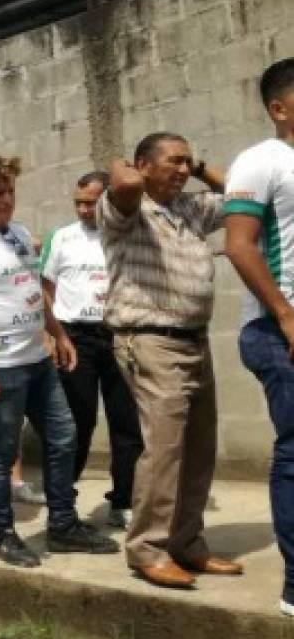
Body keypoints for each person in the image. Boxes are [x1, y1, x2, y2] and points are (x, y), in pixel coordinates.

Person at [0, 156, 118, 568]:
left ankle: (62, 525)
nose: (6, 201)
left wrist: (57, 335)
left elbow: (35, 292)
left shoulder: (20, 235)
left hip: (37, 361)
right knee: (2, 452)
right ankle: (1, 534)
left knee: (63, 437)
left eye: (9, 192)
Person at [100, 133, 239, 589]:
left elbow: (239, 194)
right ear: (144, 164)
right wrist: (130, 165)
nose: (183, 169)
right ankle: (147, 549)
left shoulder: (190, 208)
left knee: (199, 447)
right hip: (150, 340)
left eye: (187, 162)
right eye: (173, 161)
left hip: (193, 341)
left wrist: (196, 166)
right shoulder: (125, 211)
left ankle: (187, 543)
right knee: (164, 449)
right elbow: (121, 183)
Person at [225, 59, 294, 615]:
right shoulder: (261, 161)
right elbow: (240, 245)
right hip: (277, 330)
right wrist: (286, 316)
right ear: (279, 108)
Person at [41, 171, 143, 528]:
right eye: (78, 203)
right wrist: (52, 335)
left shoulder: (126, 232)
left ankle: (124, 501)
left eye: (91, 203)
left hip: (120, 334)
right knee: (77, 422)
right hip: (75, 339)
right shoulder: (62, 238)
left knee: (126, 423)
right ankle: (63, 504)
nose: (84, 210)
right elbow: (47, 289)